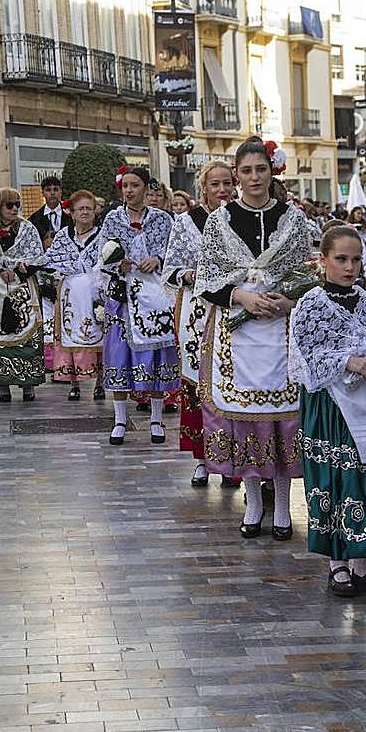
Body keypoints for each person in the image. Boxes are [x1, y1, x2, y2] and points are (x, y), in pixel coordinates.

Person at [194, 136, 312, 539]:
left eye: (260, 169)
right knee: (242, 417)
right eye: (245, 171)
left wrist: (286, 301)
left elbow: (308, 271)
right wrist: (240, 295)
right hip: (236, 333)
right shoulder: (219, 221)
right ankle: (253, 502)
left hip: (281, 330)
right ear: (236, 175)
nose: (253, 177)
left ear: (271, 170)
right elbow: (207, 279)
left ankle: (282, 506)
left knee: (284, 420)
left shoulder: (293, 220)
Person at [290, 225, 366, 599]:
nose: (350, 266)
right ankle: (336, 563)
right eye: (341, 259)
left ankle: (364, 564)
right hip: (329, 406)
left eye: (356, 259)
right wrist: (347, 361)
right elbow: (307, 357)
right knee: (334, 477)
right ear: (322, 261)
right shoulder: (310, 304)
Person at [164, 160, 239, 487]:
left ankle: (233, 457)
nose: (221, 190)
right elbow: (170, 271)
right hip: (197, 312)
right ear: (203, 188)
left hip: (235, 311)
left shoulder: (242, 218)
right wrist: (191, 274)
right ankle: (201, 458)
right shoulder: (186, 223)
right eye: (215, 184)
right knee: (197, 385)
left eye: (227, 183)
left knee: (233, 383)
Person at [101, 166, 180, 443]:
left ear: (146, 189)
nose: (129, 191)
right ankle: (120, 419)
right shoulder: (112, 218)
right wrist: (116, 263)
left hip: (154, 296)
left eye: (135, 185)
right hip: (122, 295)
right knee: (119, 353)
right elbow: (104, 253)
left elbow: (173, 253)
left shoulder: (162, 220)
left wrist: (157, 258)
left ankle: (157, 418)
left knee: (157, 354)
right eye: (125, 186)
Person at [0, 187, 47, 400]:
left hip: (21, 285)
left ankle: (27, 382)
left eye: (17, 205)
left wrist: (17, 274)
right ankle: (1, 382)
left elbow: (37, 259)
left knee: (26, 332)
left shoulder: (27, 228)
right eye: (9, 205)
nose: (15, 209)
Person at [47, 189, 105, 400]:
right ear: (71, 212)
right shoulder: (63, 235)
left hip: (96, 291)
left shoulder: (103, 234)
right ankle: (74, 383)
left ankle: (100, 382)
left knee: (100, 334)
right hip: (70, 293)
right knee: (69, 335)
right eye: (80, 208)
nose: (85, 212)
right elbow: (51, 259)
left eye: (89, 208)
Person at [28, 175, 71, 242]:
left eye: (56, 189)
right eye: (48, 190)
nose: (52, 193)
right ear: (42, 193)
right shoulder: (34, 219)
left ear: (61, 192)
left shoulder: (72, 215)